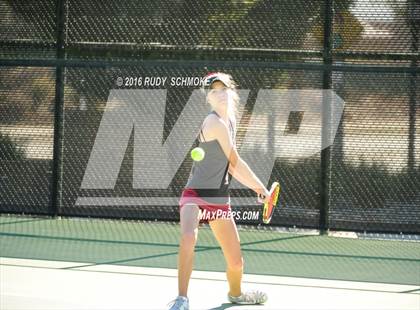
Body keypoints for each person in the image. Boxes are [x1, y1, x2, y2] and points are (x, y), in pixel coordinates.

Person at [168, 72, 270, 310]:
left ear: (231, 92)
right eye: (214, 91)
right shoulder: (214, 122)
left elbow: (230, 168)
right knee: (188, 237)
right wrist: (260, 187)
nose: (220, 94)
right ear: (209, 99)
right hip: (195, 195)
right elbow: (235, 161)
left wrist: (258, 187)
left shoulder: (231, 121)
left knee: (236, 264)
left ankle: (236, 295)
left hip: (219, 201)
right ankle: (182, 299)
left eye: (223, 89)